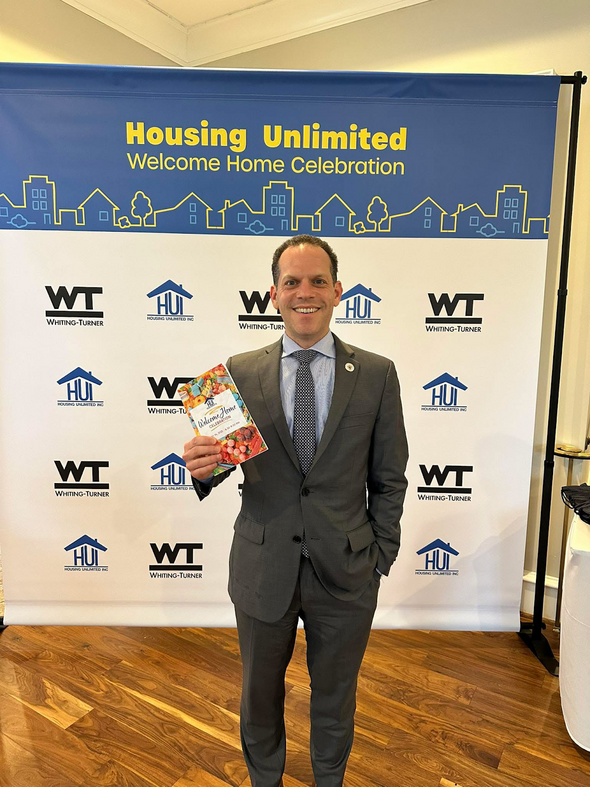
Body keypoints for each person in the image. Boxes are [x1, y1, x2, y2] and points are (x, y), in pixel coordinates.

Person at [183, 235, 408, 787]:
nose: (304, 292)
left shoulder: (377, 374)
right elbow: (221, 466)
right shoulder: (235, 372)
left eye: (316, 281)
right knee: (259, 696)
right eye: (291, 282)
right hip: (263, 569)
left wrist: (379, 555)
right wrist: (203, 468)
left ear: (337, 291)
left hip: (348, 571)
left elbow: (390, 476)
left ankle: (328, 780)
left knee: (336, 695)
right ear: (273, 294)